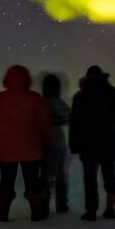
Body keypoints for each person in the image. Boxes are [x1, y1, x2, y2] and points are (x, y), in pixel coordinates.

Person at [0, 64, 52, 222]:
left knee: (6, 181)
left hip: (5, 150)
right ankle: (36, 212)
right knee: (32, 182)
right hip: (32, 149)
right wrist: (46, 144)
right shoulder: (35, 98)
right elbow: (45, 125)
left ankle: (3, 213)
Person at [68, 65, 115, 221]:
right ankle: (110, 208)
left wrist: (74, 145)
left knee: (90, 180)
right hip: (108, 143)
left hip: (88, 145)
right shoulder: (112, 93)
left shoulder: (79, 97)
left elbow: (75, 124)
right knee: (109, 176)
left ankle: (91, 211)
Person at [41, 73, 71, 214]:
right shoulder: (60, 103)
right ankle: (61, 204)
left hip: (43, 144)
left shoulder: (41, 103)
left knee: (44, 177)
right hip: (58, 143)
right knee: (60, 176)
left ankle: (44, 204)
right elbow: (69, 118)